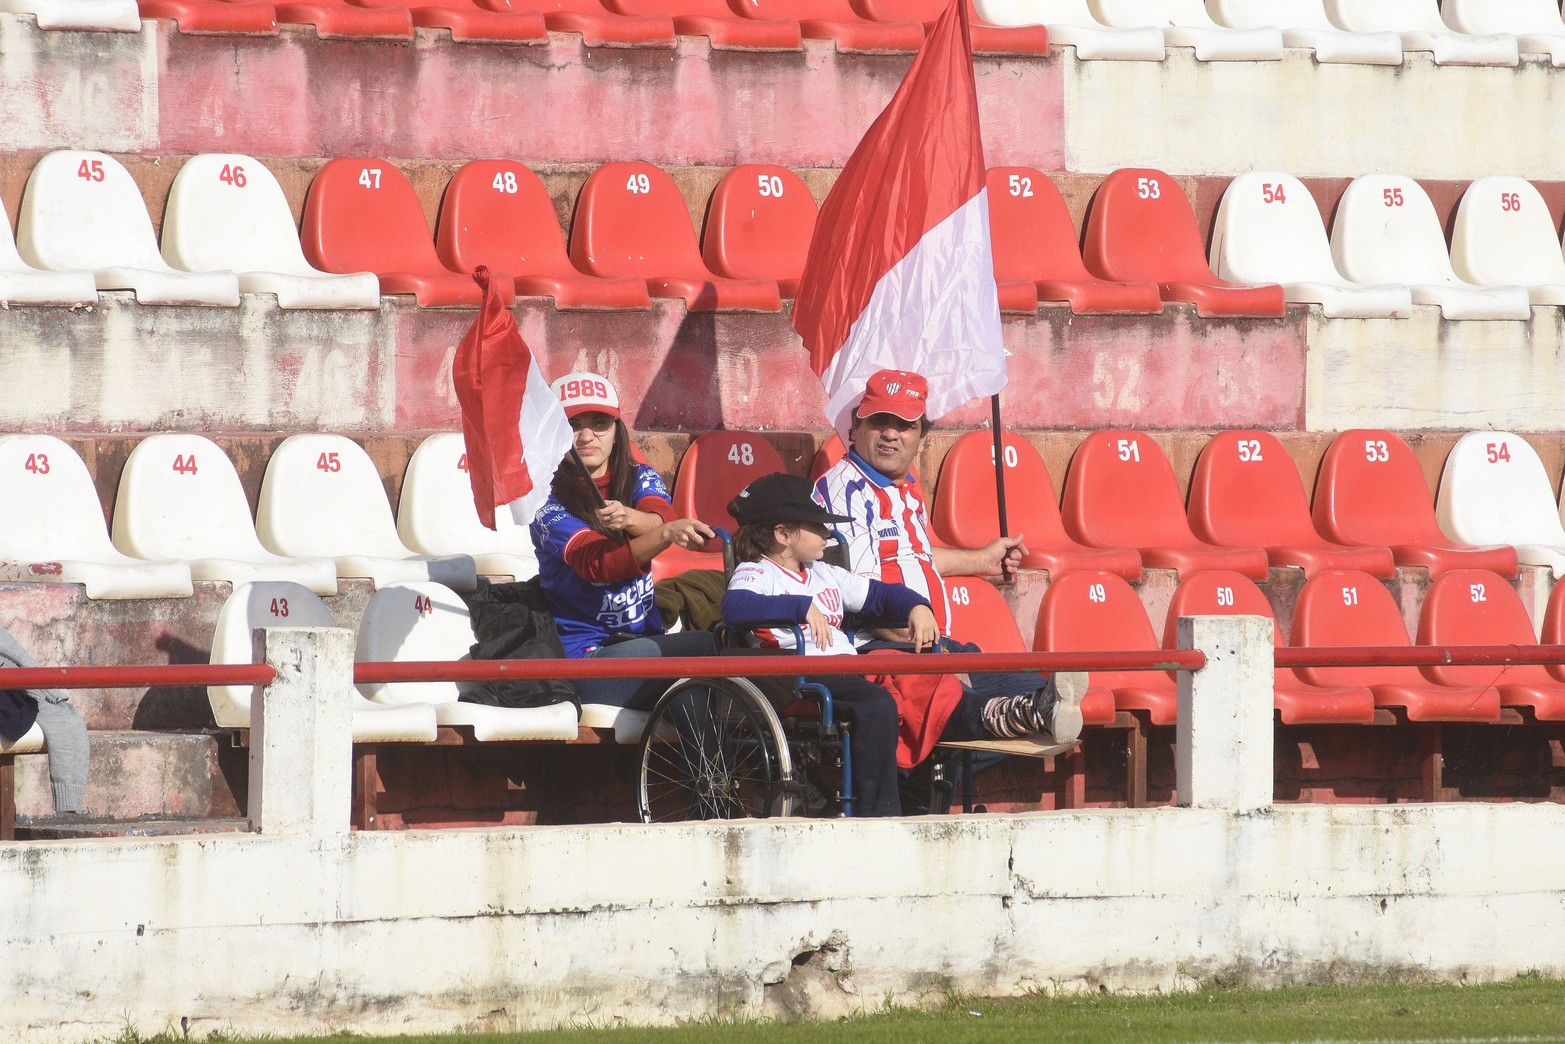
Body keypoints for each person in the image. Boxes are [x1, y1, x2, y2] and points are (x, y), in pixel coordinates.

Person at [721, 473, 1084, 819]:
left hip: (848, 666)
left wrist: (916, 606)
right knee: (880, 703)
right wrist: (797, 606)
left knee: (925, 677)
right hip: (799, 673)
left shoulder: (822, 572)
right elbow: (735, 609)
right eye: (816, 526)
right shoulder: (758, 571)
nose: (827, 532)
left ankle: (1020, 712)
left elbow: (877, 595)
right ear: (782, 534)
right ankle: (880, 815)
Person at [812, 368, 1085, 745]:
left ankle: (1026, 710)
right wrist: (934, 658)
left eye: (905, 425)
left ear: (922, 439)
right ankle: (1004, 720)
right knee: (973, 710)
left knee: (1037, 701)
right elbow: (861, 597)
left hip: (933, 645)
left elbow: (912, 556)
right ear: (855, 429)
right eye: (879, 422)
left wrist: (981, 561)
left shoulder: (903, 486)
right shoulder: (846, 492)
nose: (891, 434)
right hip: (883, 650)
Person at [531, 371, 718, 710]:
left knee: (690, 699)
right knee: (715, 643)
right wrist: (663, 534)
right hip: (585, 662)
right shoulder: (544, 501)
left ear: (617, 432)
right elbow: (599, 564)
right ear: (554, 434)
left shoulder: (637, 475)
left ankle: (720, 767)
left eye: (600, 422)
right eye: (573, 424)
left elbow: (662, 515)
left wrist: (630, 518)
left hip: (644, 646)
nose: (587, 435)